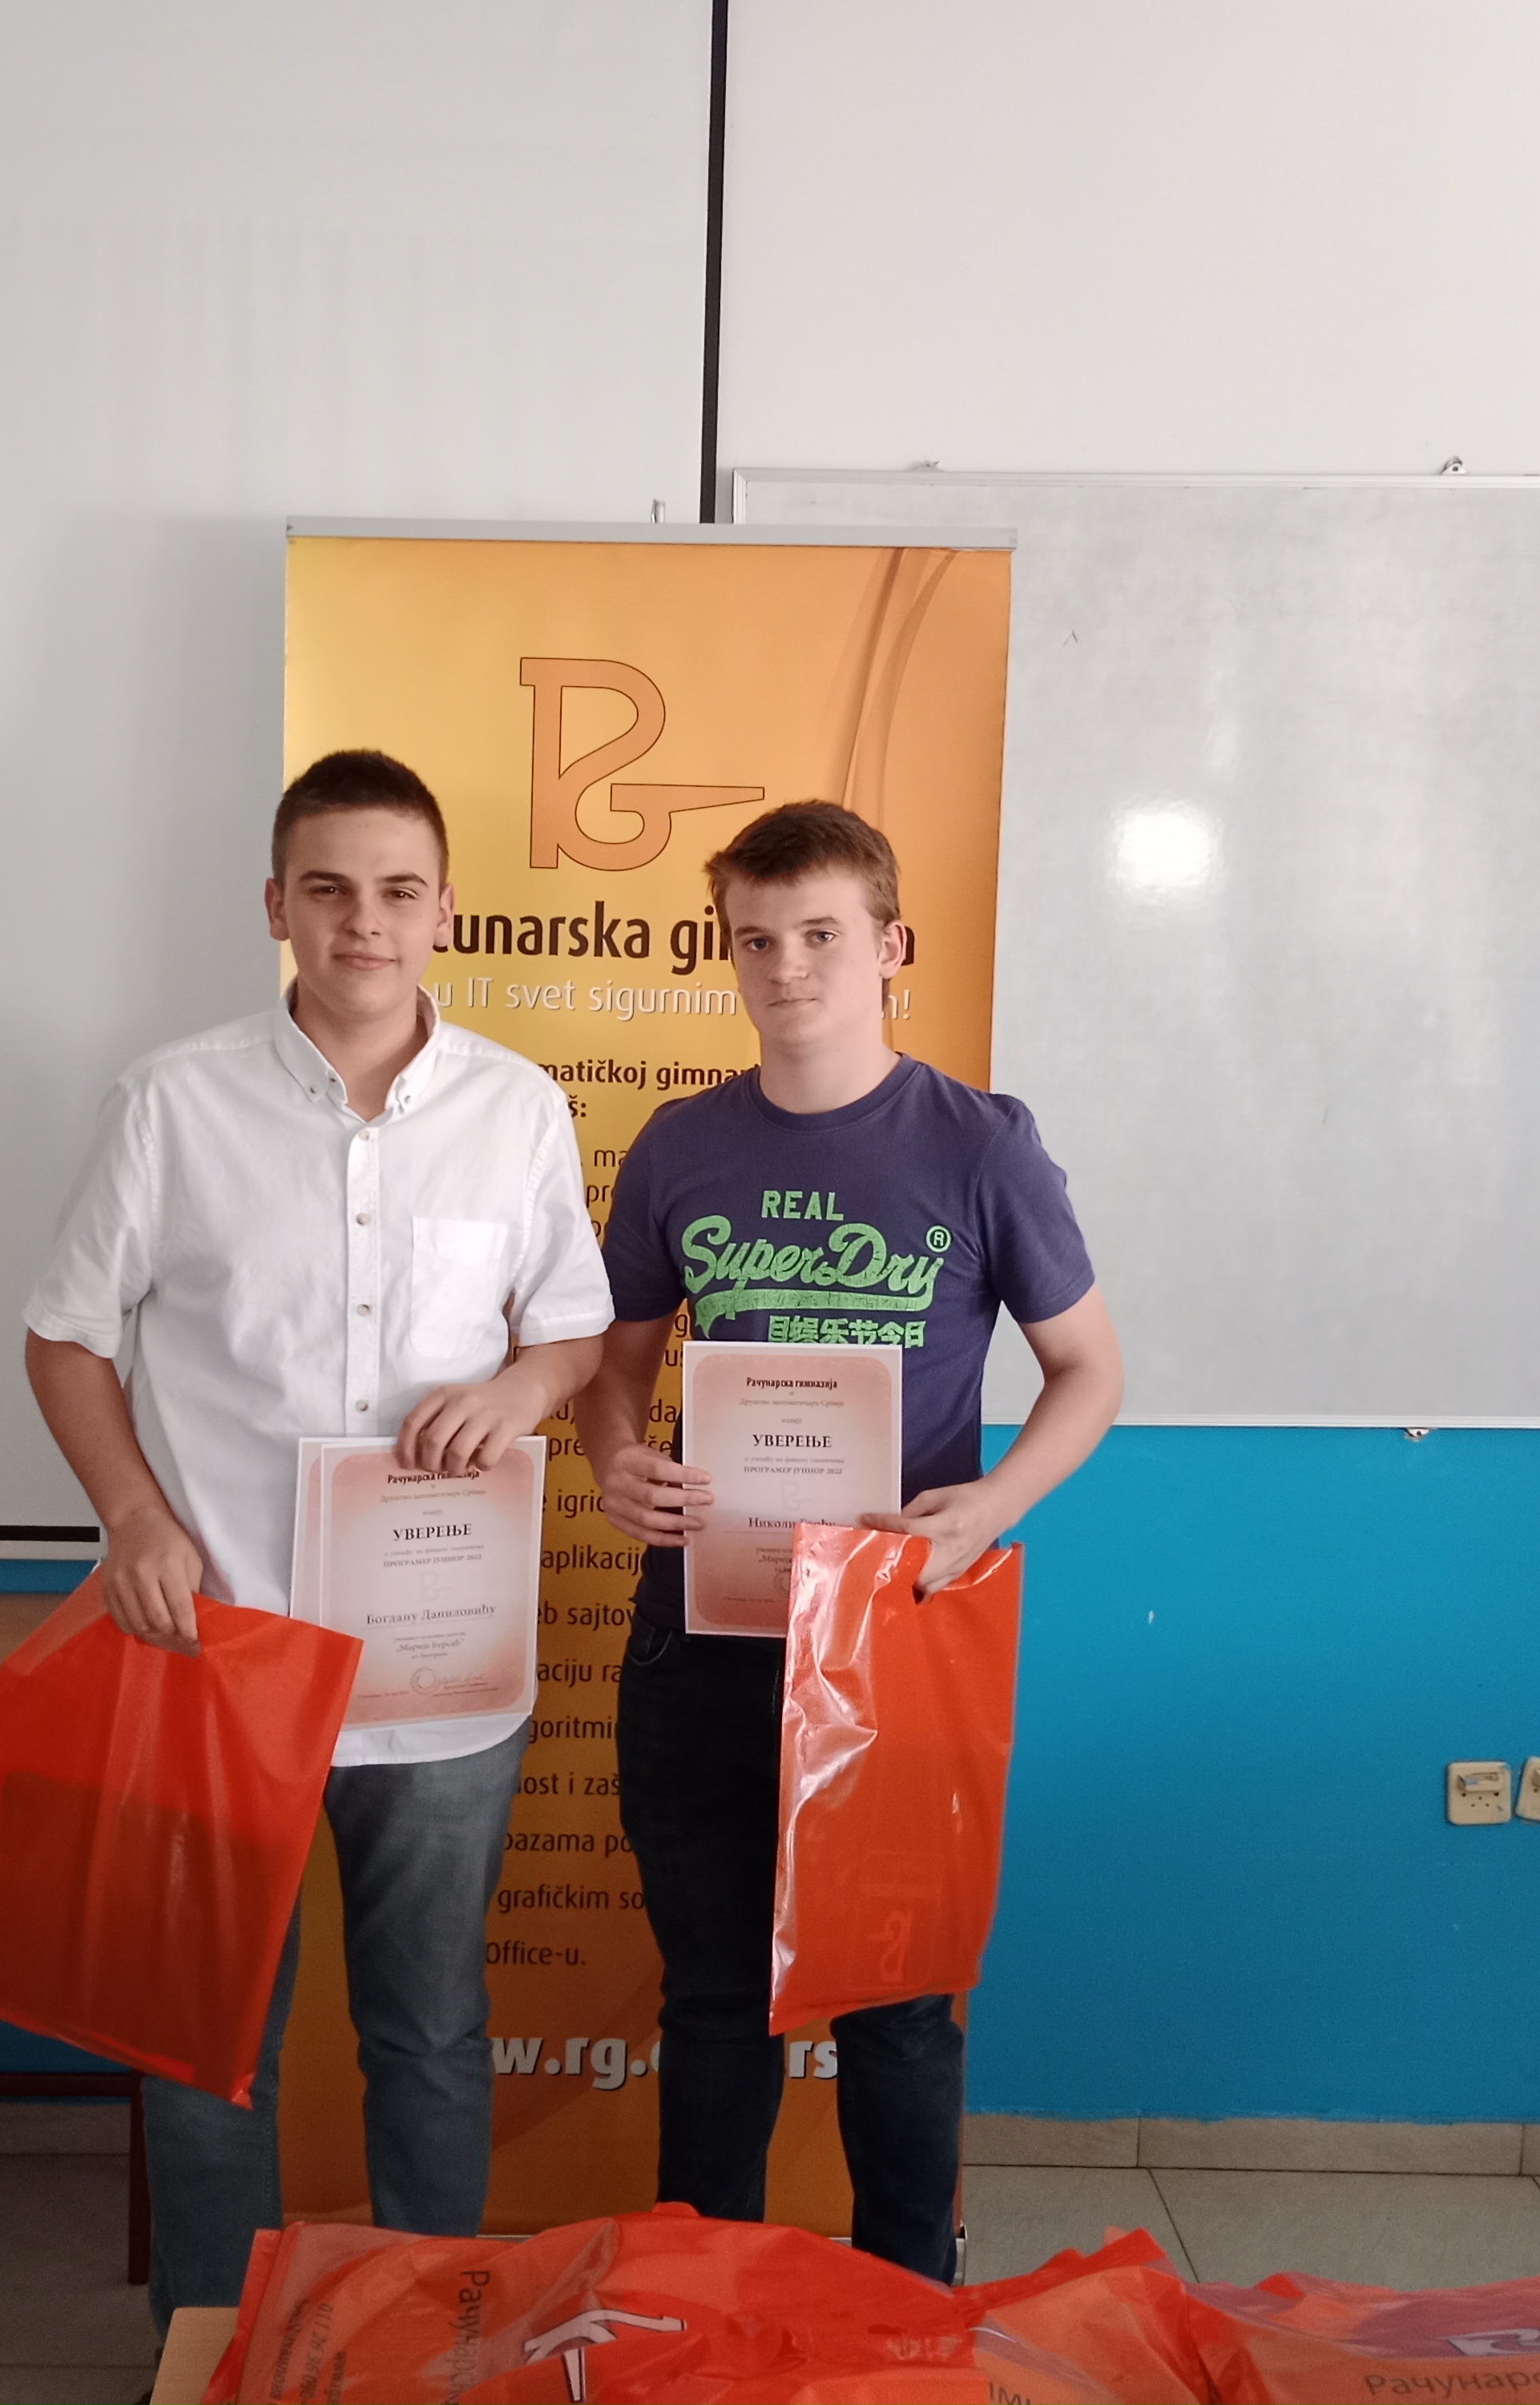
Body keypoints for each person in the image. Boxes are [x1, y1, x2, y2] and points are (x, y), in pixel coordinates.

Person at [22, 749, 611, 2336]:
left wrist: (520, 1390)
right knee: (207, 2043)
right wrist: (133, 1516)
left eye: (399, 891)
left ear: (446, 912)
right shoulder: (172, 1104)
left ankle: (433, 2341)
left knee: (430, 2032)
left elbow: (570, 1333)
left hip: (437, 1669)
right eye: (331, 889)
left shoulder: (515, 1109)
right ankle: (216, 2350)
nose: (367, 921)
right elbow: (66, 1338)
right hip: (224, 1649)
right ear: (277, 905)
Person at [572, 799, 1123, 2281]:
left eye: (820, 934)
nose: (787, 968)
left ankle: (906, 2310)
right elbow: (615, 1368)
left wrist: (990, 1509)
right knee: (713, 2005)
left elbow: (1090, 1374)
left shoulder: (982, 1146)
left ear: (891, 945)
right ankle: (705, 2304)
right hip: (704, 1637)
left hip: (894, 1639)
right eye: (755, 941)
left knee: (897, 2008)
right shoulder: (680, 1146)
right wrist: (616, 1458)